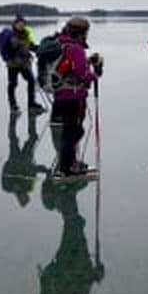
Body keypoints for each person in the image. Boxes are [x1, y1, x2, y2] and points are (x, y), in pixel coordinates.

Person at [39, 181, 104, 294]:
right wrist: (95, 274)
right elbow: (82, 279)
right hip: (75, 256)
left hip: (72, 256)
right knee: (74, 223)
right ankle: (66, 194)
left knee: (74, 223)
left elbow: (77, 279)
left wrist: (95, 274)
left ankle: (64, 195)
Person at [51, 17, 102, 177]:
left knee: (70, 131)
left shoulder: (60, 43)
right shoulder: (76, 48)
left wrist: (87, 61)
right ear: (82, 33)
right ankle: (67, 167)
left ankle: (68, 162)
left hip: (60, 94)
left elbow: (69, 67)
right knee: (74, 131)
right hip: (74, 96)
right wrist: (96, 73)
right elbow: (82, 75)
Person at [0, 15, 46, 114]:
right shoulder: (10, 35)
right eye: (19, 24)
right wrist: (12, 55)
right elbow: (9, 49)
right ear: (15, 24)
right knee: (13, 84)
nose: (21, 26)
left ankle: (31, 103)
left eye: (23, 24)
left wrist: (42, 49)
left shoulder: (26, 34)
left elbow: (31, 46)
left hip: (24, 64)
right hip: (13, 64)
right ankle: (13, 106)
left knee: (31, 81)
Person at [0, 110, 47, 207]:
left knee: (13, 139)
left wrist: (9, 164)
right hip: (26, 159)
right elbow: (33, 172)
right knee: (32, 138)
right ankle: (32, 119)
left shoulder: (8, 187)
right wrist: (44, 169)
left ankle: (14, 120)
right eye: (25, 197)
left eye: (23, 198)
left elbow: (4, 173)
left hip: (15, 159)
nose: (24, 195)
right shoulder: (29, 187)